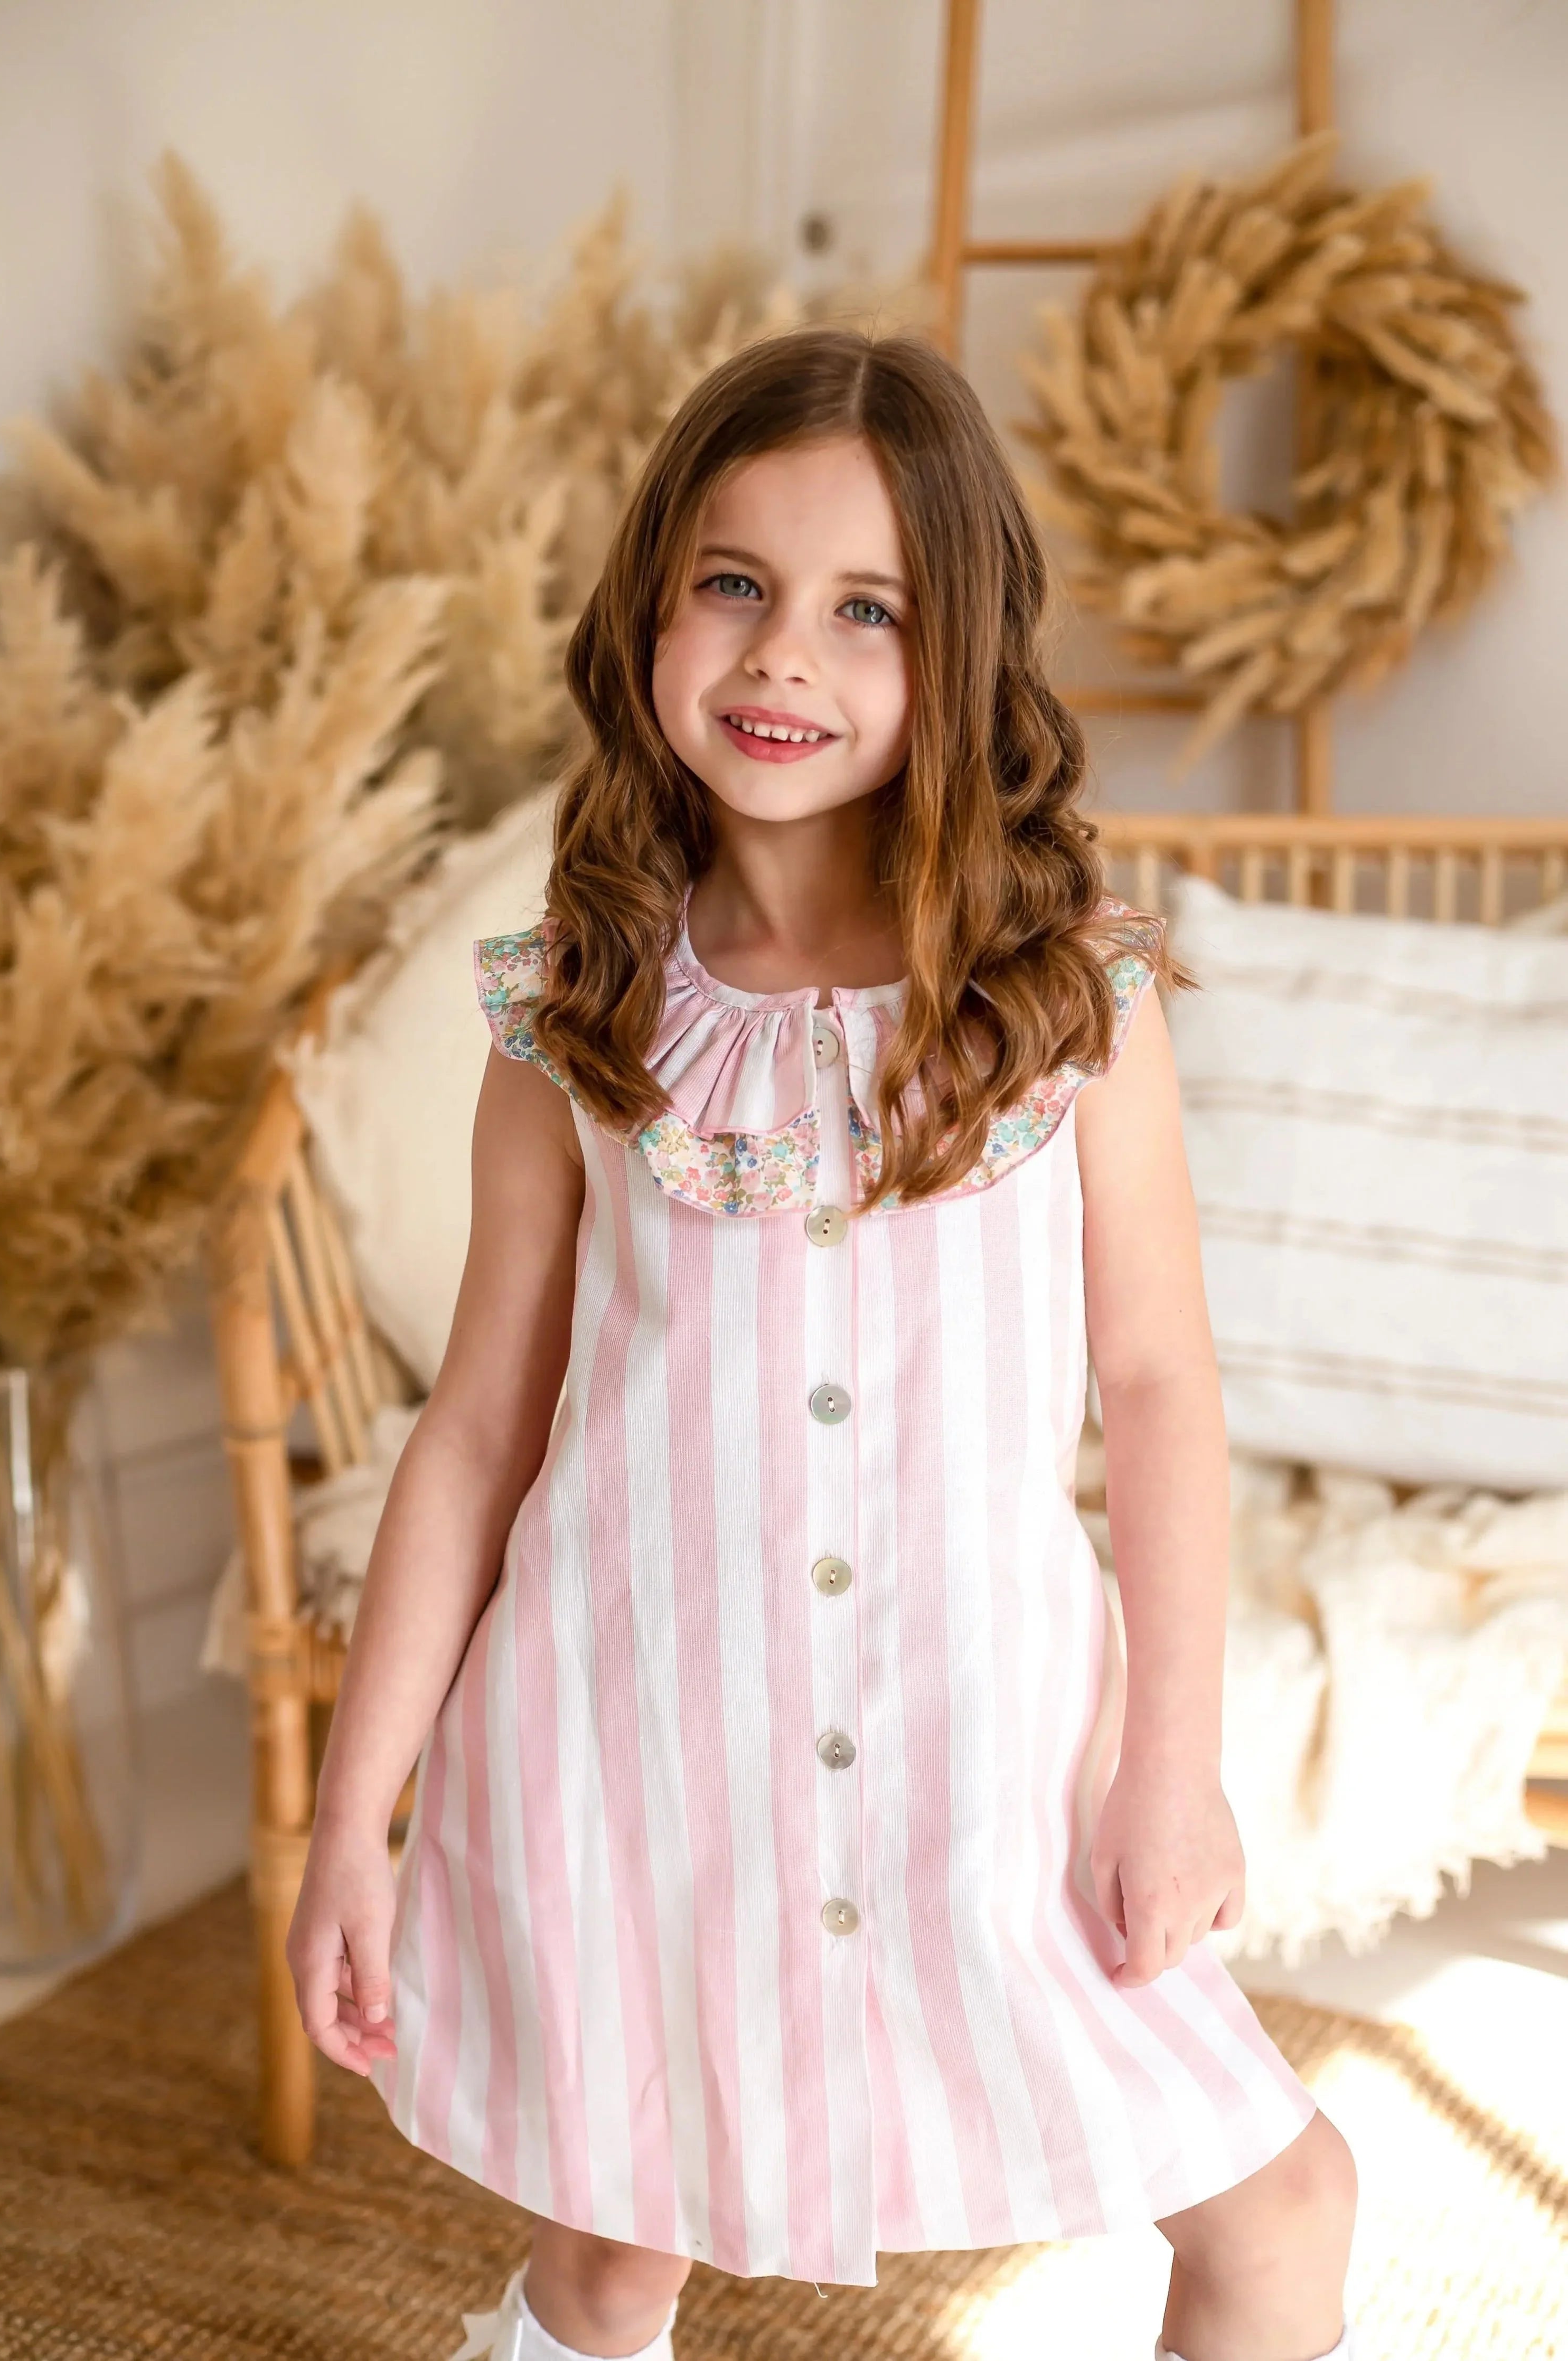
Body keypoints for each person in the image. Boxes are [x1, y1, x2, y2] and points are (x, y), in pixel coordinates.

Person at [285, 324, 1359, 2361]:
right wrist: (363, 1812)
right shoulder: (578, 1007)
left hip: (989, 1759)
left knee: (1279, 2200)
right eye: (736, 586)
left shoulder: (1069, 1000)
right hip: (628, 1751)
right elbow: (476, 1427)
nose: (786, 658)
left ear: (955, 657)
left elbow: (1158, 1394)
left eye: (869, 610)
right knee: (615, 2256)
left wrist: (1175, 1769)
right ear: (651, 605)